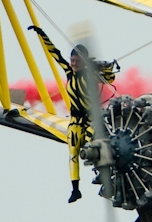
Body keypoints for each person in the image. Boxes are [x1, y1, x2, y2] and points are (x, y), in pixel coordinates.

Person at [29, 26, 118, 203]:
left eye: (77, 61)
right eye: (72, 60)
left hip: (92, 120)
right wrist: (42, 35)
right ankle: (75, 189)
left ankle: (108, 182)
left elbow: (110, 78)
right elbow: (55, 54)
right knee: (72, 152)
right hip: (76, 121)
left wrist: (105, 67)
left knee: (101, 148)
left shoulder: (91, 75)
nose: (73, 63)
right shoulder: (70, 74)